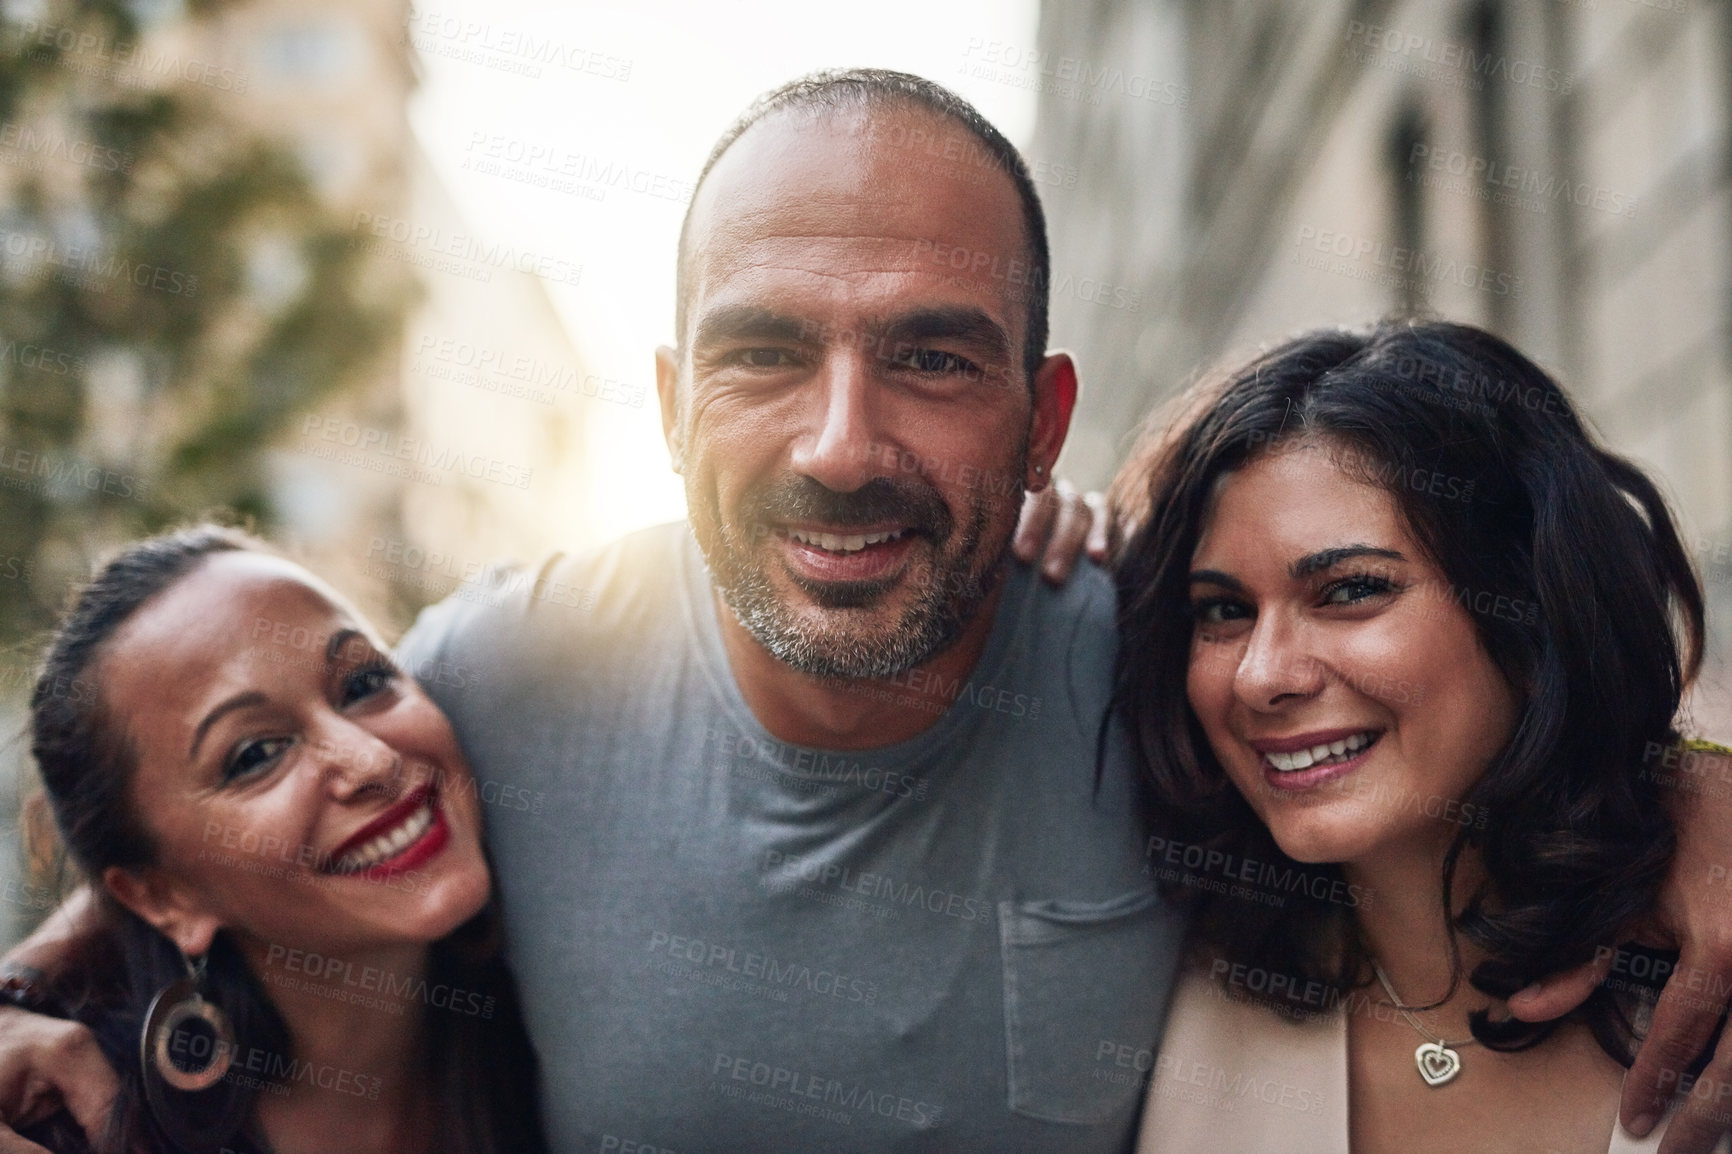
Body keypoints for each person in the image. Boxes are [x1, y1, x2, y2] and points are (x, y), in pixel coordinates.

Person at [6, 70, 1732, 1153]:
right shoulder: (488, 684)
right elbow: (227, 822)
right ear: (672, 402)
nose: (844, 445)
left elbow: (1461, 736)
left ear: (1041, 419)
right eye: (766, 354)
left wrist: (1691, 791)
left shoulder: (1169, 666)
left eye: (929, 354)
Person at [1113, 319, 1726, 1152]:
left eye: (1351, 589)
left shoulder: (1708, 971)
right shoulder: (1157, 973)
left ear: (1534, 612)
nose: (1261, 675)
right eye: (1223, 609)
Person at [9, 526, 546, 1153]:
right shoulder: (65, 1126)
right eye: (256, 754)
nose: (372, 760)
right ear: (162, 897)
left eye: (363, 683)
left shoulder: (548, 1024)